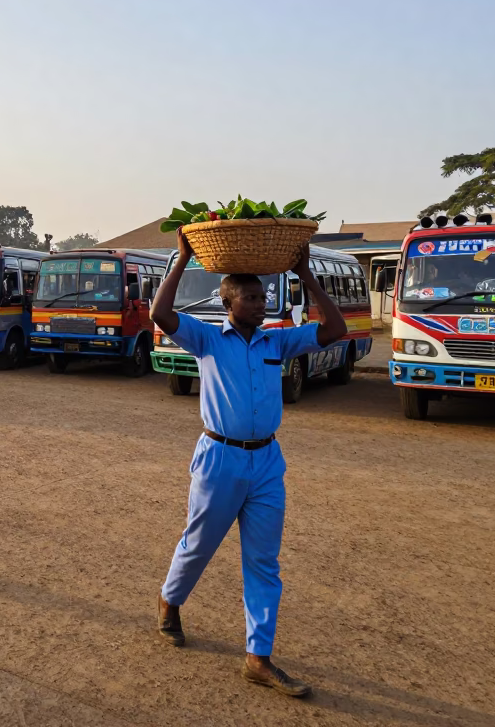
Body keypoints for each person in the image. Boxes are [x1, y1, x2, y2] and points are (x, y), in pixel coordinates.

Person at [150, 229, 347, 697]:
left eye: (264, 296)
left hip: (266, 464)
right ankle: (170, 602)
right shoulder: (205, 339)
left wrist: (307, 276)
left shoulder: (276, 343)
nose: (262, 304)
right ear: (229, 303)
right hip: (219, 459)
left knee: (264, 562)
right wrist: (181, 260)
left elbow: (336, 331)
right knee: (198, 544)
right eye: (253, 297)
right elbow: (160, 314)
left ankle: (258, 658)